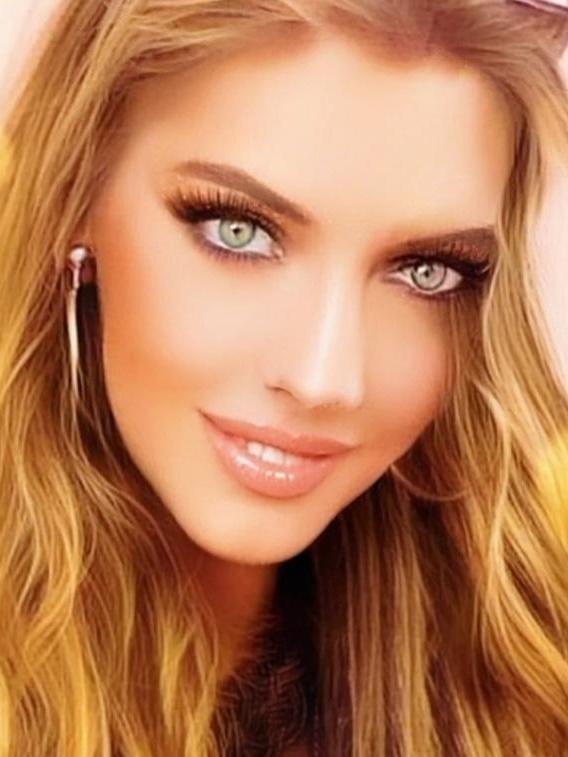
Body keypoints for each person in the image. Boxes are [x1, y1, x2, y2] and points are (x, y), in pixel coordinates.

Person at [1, 0, 568, 755]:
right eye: (238, 231)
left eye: (427, 271)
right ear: (77, 189)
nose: (325, 378)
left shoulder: (534, 655)